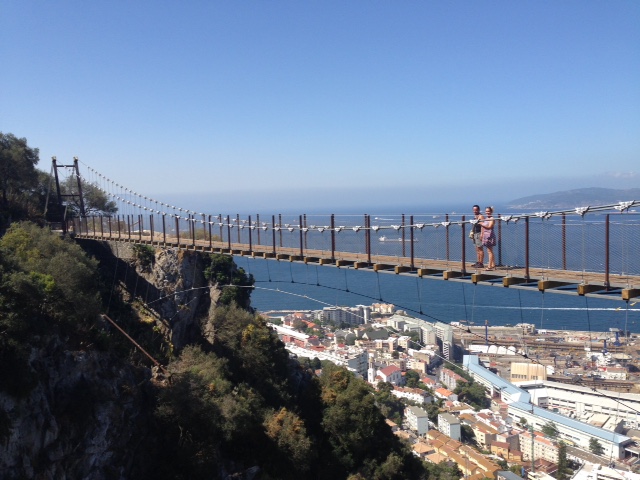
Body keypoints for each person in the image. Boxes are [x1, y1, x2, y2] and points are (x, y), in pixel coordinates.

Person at [481, 206, 496, 270]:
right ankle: (493, 264)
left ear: (491, 212)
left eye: (488, 211)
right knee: (489, 251)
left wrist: (481, 223)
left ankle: (490, 266)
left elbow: (489, 226)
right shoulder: (486, 218)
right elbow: (483, 228)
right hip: (485, 235)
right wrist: (482, 234)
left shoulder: (492, 218)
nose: (487, 212)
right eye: (486, 211)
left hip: (490, 235)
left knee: (489, 251)